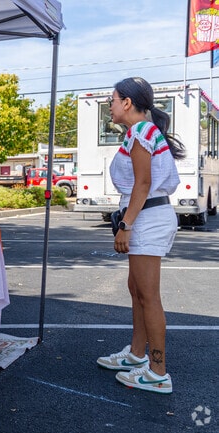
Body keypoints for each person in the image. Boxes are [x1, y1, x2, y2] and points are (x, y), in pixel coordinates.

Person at [96, 77, 185, 394]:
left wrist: (126, 225)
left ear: (127, 103)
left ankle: (158, 371)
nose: (110, 106)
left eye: (112, 100)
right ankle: (136, 355)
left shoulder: (140, 132)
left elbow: (143, 184)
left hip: (147, 217)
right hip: (146, 214)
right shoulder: (142, 131)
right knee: (136, 289)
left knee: (148, 296)